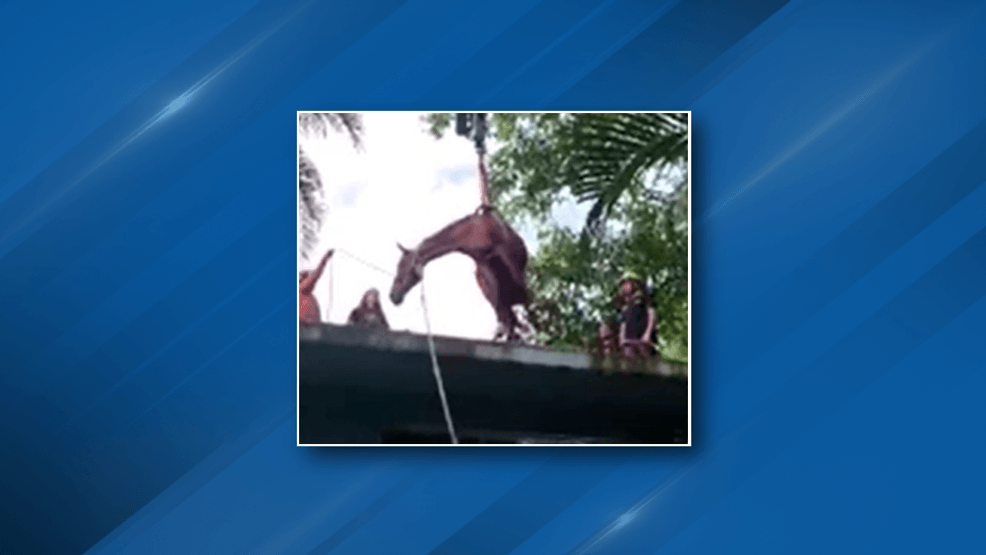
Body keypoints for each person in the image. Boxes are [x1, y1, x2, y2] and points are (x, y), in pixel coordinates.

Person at [617, 271, 657, 360]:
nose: (624, 286)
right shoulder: (625, 305)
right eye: (623, 284)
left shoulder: (643, 299)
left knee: (645, 361)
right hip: (629, 341)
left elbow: (651, 313)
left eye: (627, 283)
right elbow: (623, 322)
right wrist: (622, 338)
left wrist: (647, 334)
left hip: (641, 340)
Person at [300, 249, 333, 325]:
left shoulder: (304, 292)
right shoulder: (302, 289)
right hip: (306, 328)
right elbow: (316, 274)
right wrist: (325, 258)